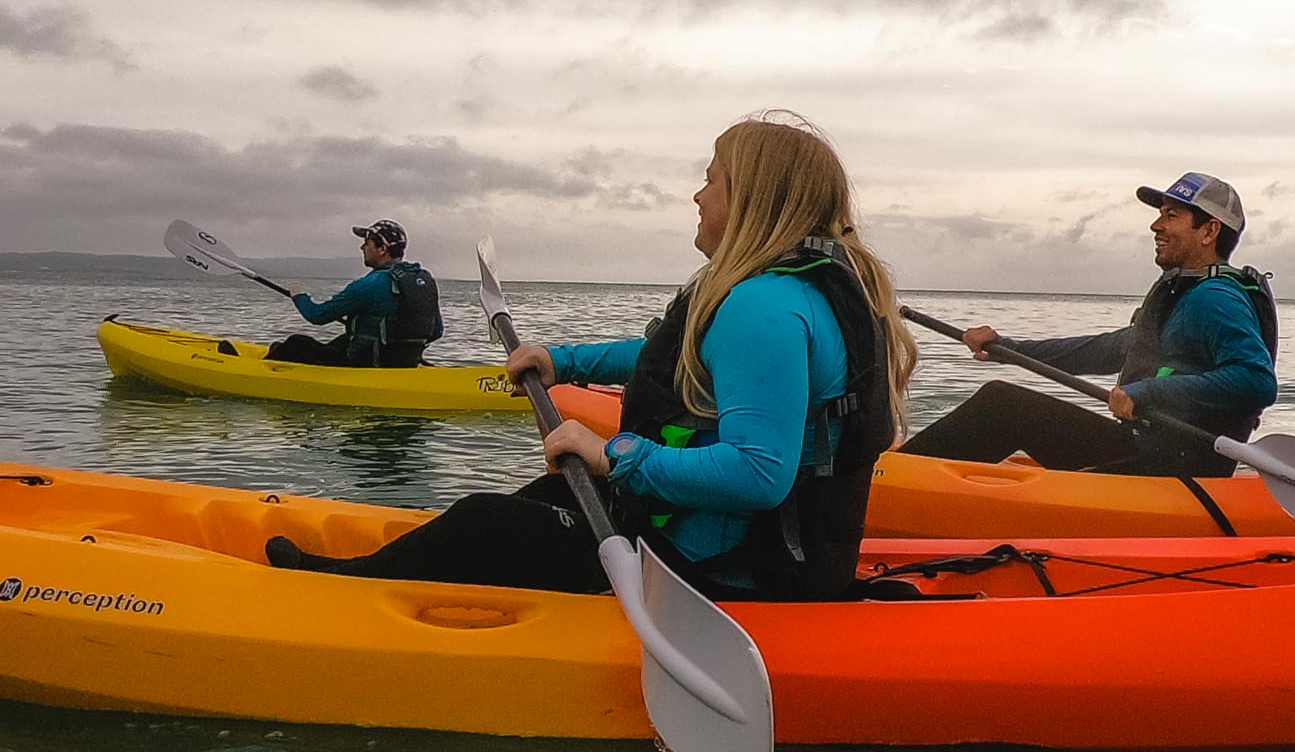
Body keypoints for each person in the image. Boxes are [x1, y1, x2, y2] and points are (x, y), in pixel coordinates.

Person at [267, 113, 917, 601]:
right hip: (726, 541)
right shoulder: (790, 290)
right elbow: (675, 361)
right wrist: (563, 360)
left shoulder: (763, 307)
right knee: (548, 494)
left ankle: (337, 599)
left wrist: (613, 454)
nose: (697, 195)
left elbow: (757, 473)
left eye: (711, 180)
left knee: (483, 522)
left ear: (752, 199)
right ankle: (387, 579)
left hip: (720, 569)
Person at [900, 171, 1278, 477]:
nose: (1155, 225)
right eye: (1160, 213)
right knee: (1004, 400)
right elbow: (1109, 349)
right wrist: (1009, 348)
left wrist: (1148, 392)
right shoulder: (1184, 292)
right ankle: (911, 479)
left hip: (1173, 470)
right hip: (1147, 451)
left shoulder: (1216, 297)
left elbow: (1256, 381)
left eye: (1171, 215)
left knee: (1003, 405)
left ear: (1209, 231)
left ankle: (891, 486)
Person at [264, 219, 444, 368]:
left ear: (382, 249)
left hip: (369, 364)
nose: (362, 248)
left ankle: (262, 373)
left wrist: (299, 296)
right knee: (345, 339)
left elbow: (317, 315)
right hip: (404, 362)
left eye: (367, 243)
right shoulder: (423, 278)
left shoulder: (370, 284)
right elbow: (436, 331)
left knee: (296, 343)